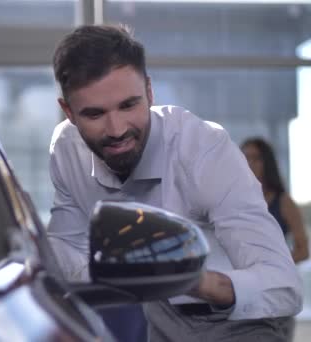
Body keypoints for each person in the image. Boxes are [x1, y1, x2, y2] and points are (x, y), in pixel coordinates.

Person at [47, 23, 303, 342]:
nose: (116, 130)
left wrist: (189, 280)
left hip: (242, 326)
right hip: (160, 320)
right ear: (68, 111)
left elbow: (283, 287)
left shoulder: (202, 150)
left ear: (150, 92)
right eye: (95, 114)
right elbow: (66, 250)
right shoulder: (67, 150)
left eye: (129, 105)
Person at [241, 137, 309, 341]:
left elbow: (304, 249)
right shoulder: (235, 200)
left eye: (255, 158)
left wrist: (275, 263)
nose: (249, 163)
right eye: (244, 157)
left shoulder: (283, 201)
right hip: (245, 291)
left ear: (266, 162)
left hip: (277, 289)